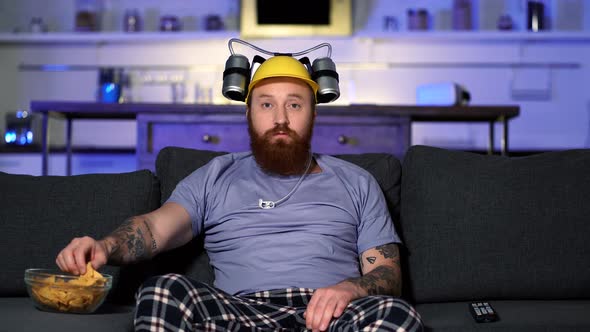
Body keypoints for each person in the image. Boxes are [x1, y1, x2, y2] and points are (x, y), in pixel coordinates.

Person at [56, 55, 423, 332]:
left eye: (294, 104)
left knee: (398, 315)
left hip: (331, 314)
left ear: (313, 114)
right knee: (162, 290)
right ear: (249, 113)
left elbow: (387, 275)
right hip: (236, 311)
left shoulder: (357, 181)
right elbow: (154, 230)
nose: (280, 118)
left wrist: (350, 289)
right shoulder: (215, 176)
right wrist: (105, 246)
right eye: (267, 104)